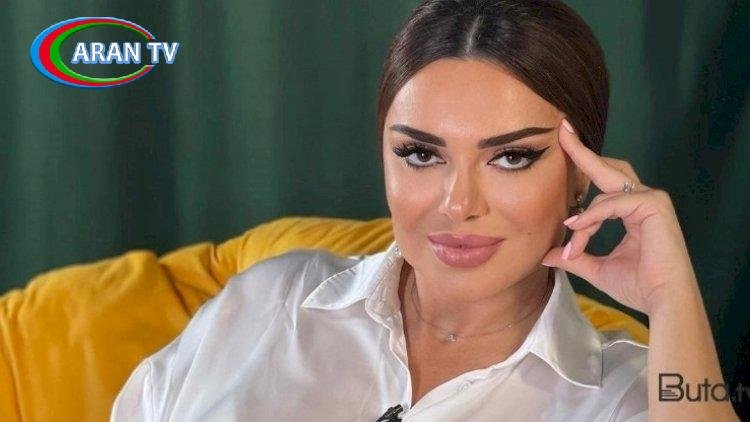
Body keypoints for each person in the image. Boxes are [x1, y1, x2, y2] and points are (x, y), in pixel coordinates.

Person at [111, 1, 739, 420]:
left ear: (582, 174)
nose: (458, 204)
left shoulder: (633, 395)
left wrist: (671, 297)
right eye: (420, 154)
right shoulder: (266, 300)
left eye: (511, 157)